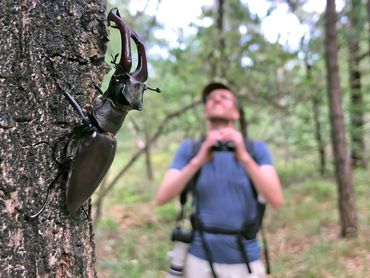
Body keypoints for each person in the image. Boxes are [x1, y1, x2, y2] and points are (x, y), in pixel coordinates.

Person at [156, 82, 283, 278]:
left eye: (224, 97)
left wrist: (245, 158)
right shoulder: (190, 149)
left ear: (236, 113)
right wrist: (198, 161)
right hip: (198, 259)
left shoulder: (256, 150)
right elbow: (162, 197)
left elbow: (275, 199)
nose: (216, 99)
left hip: (244, 261)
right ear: (205, 111)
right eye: (211, 98)